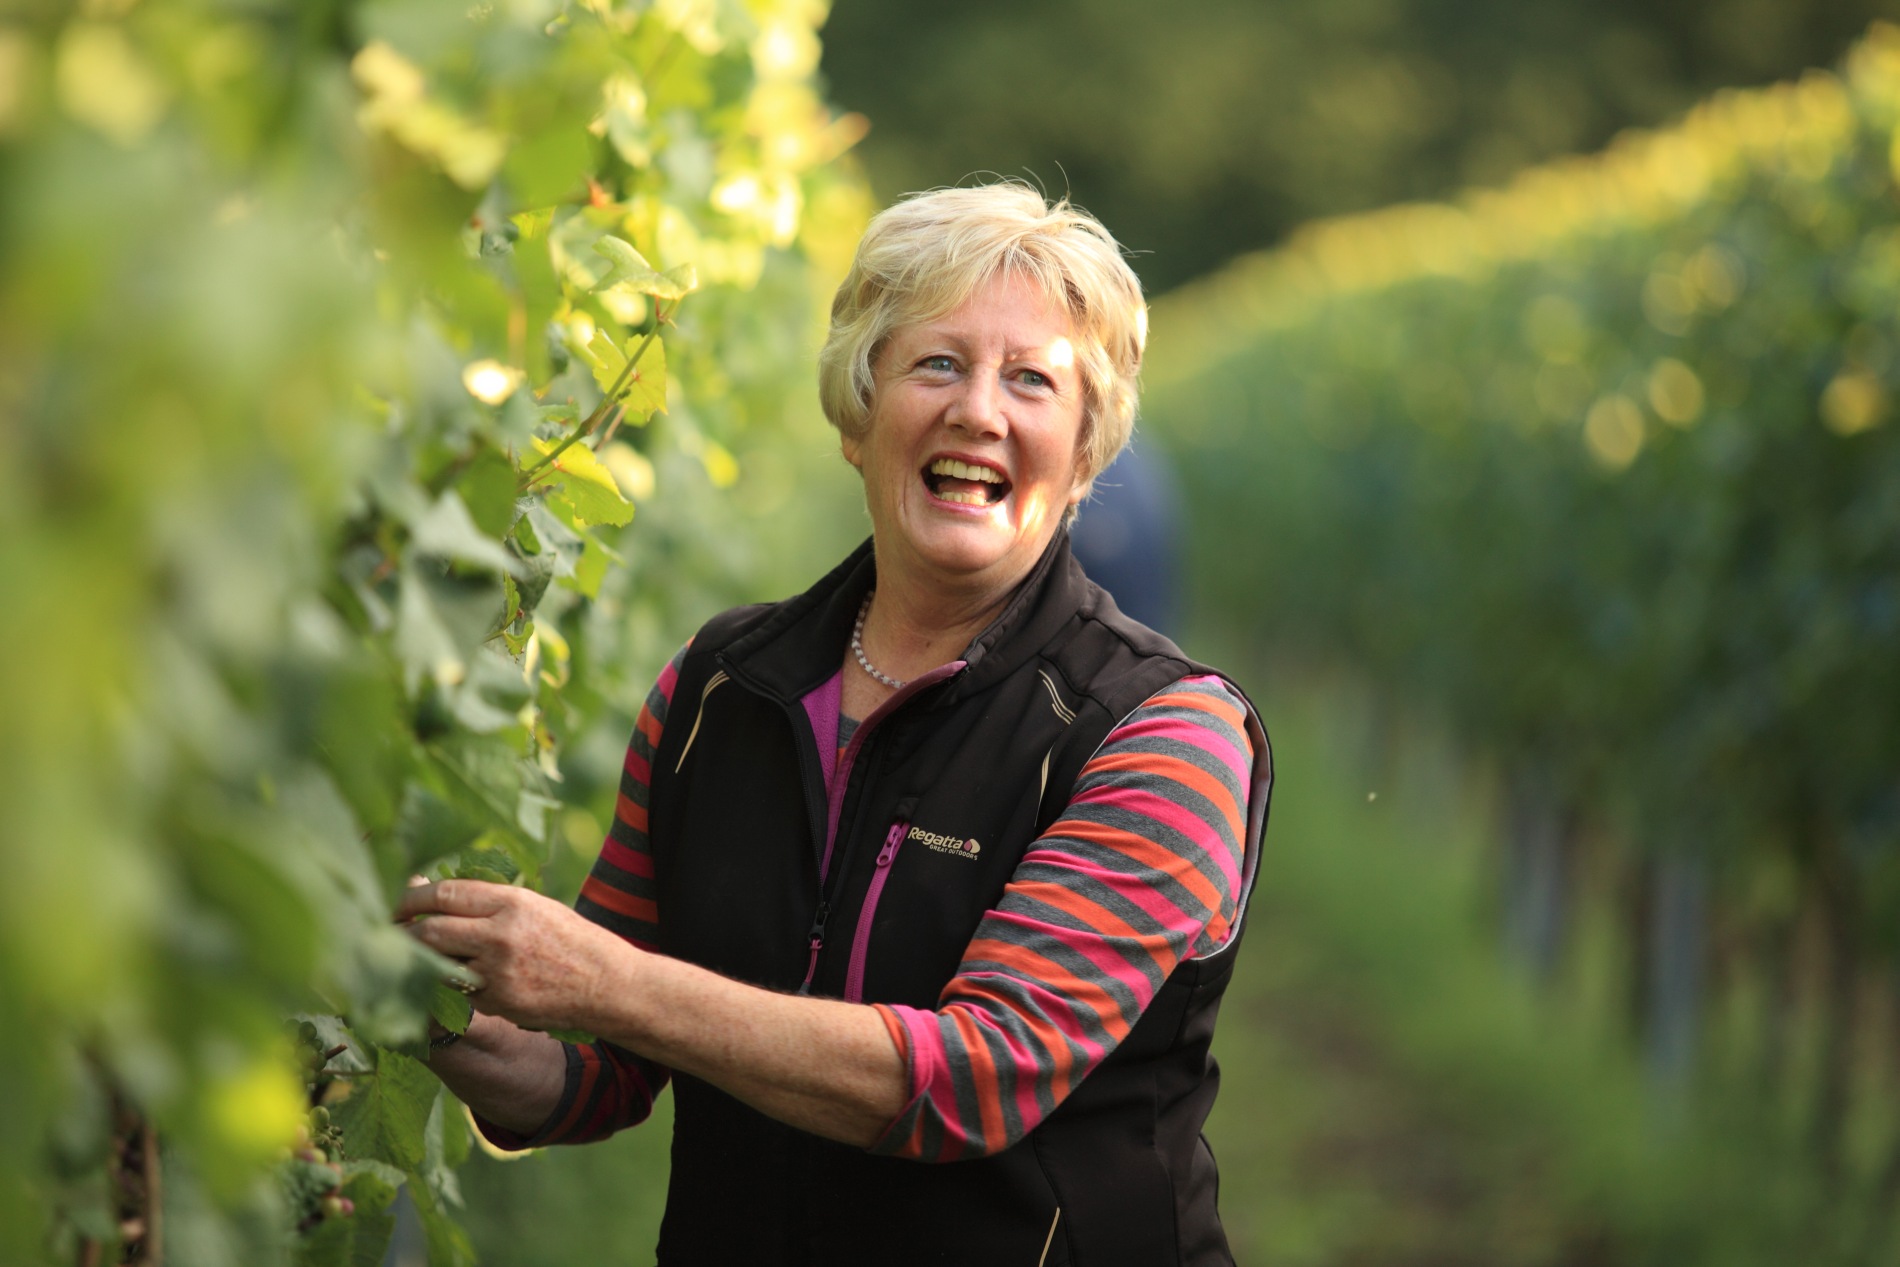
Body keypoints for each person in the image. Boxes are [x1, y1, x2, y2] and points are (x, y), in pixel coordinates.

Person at [400, 183, 1273, 1266]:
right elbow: (598, 1067)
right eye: (936, 364)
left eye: (1032, 380)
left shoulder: (1161, 736)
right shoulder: (717, 688)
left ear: (1084, 450)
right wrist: (422, 1005)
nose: (979, 411)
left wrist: (601, 979)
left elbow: (971, 1078)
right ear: (858, 415)